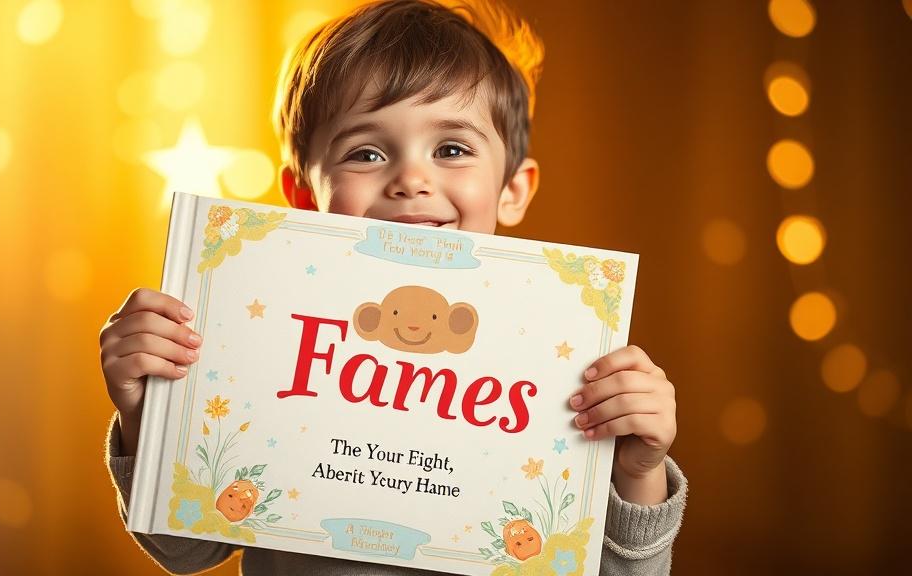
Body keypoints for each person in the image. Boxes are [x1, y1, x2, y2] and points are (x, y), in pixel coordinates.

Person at [99, 1, 687, 574]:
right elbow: (185, 552)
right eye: (366, 153)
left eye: (451, 149)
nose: (410, 179)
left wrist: (636, 472)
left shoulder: (559, 354)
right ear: (303, 194)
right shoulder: (252, 333)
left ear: (512, 189)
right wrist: (148, 415)